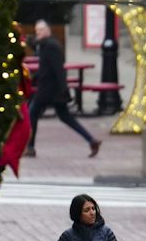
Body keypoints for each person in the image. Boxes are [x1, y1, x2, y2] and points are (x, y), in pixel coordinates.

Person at [27, 20, 102, 158]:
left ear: (47, 30)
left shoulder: (51, 46)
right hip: (50, 88)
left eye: (40, 30)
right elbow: (37, 49)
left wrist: (64, 89)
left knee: (32, 113)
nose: (38, 33)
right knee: (66, 117)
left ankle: (30, 147)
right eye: (36, 31)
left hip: (49, 89)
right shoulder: (45, 45)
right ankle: (91, 141)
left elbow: (59, 70)